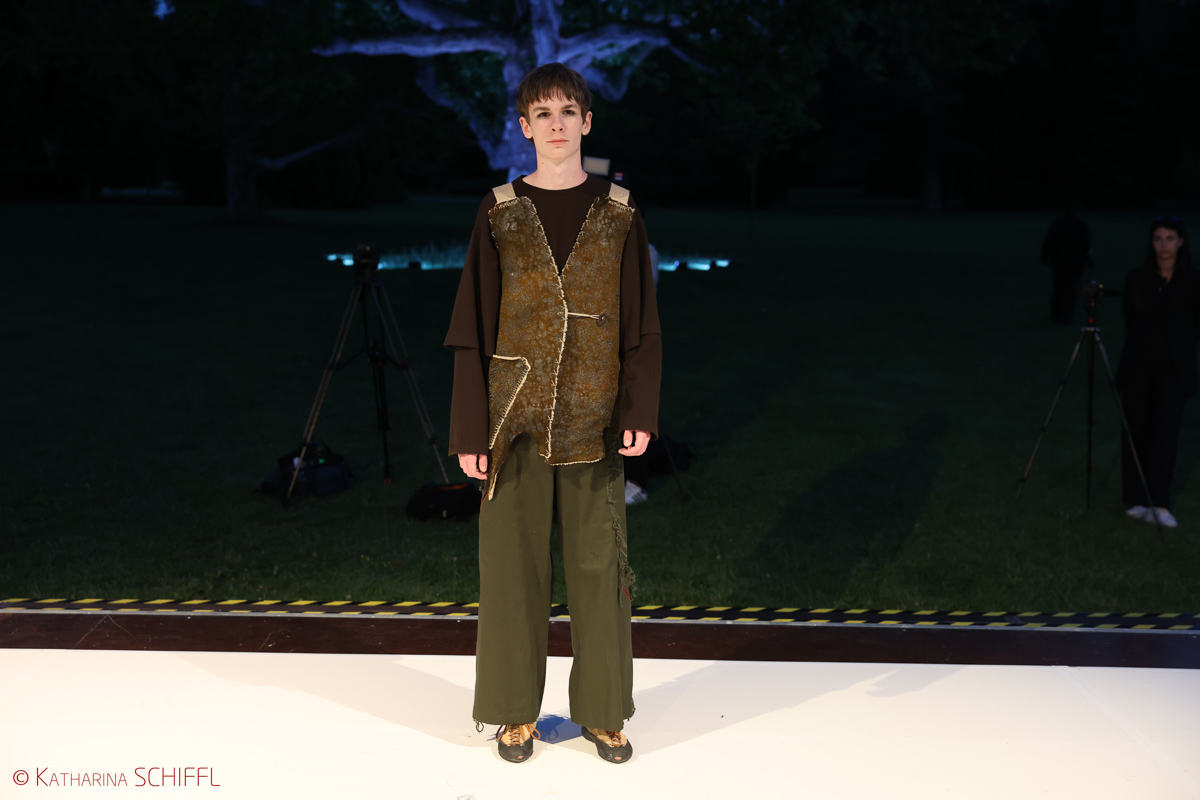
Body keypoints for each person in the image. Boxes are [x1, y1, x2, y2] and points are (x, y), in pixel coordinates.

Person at [443, 62, 661, 764]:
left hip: (596, 419)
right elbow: (472, 325)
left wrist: (639, 408)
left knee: (601, 568)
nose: (557, 124)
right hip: (514, 419)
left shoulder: (619, 210)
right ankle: (514, 712)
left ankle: (603, 710)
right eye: (543, 113)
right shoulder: (499, 209)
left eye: (569, 111)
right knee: (512, 569)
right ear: (524, 125)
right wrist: (469, 428)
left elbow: (641, 319)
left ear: (587, 122)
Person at [1115, 217, 1200, 527]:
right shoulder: (1137, 278)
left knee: (1166, 433)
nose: (1164, 245)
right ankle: (1137, 498)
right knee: (1136, 431)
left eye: (1170, 238)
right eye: (1158, 238)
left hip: (1173, 370)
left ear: (1181, 241)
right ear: (1151, 243)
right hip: (1138, 366)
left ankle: (1159, 503)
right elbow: (1131, 317)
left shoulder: (1192, 281)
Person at [1041, 205, 1093, 324]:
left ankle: (1056, 316)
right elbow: (1086, 244)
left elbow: (1048, 242)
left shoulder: (1058, 223)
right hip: (1075, 262)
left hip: (1059, 261)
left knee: (1058, 289)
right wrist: (1088, 259)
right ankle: (1067, 318)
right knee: (1071, 290)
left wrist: (1044, 260)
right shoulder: (1081, 225)